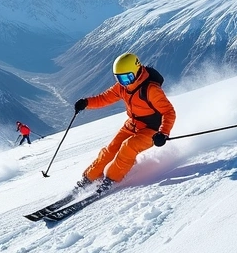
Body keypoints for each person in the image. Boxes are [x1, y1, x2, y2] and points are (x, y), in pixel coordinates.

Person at [71, 53, 176, 193]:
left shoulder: (151, 90)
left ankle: (111, 180)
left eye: (128, 77)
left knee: (128, 147)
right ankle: (89, 178)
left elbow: (168, 112)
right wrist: (86, 103)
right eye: (120, 78)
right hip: (132, 124)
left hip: (152, 130)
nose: (124, 82)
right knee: (111, 150)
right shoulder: (122, 87)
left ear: (137, 71)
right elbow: (104, 98)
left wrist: (163, 133)